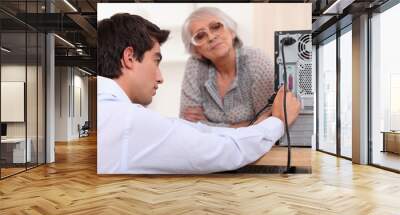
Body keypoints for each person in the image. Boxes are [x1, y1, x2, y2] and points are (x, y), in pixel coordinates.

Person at [97, 13, 301, 174]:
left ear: (232, 31)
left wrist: (258, 125)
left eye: (216, 27)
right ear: (130, 57)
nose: (160, 78)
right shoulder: (130, 120)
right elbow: (220, 148)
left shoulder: (111, 110)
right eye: (156, 61)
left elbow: (189, 129)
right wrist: (277, 122)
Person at [180, 7, 275, 128]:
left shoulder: (256, 61)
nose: (211, 37)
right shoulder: (194, 66)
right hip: (212, 147)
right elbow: (187, 125)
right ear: (195, 50)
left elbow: (268, 123)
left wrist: (209, 126)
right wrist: (246, 125)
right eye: (200, 36)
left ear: (232, 31)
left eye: (216, 26)